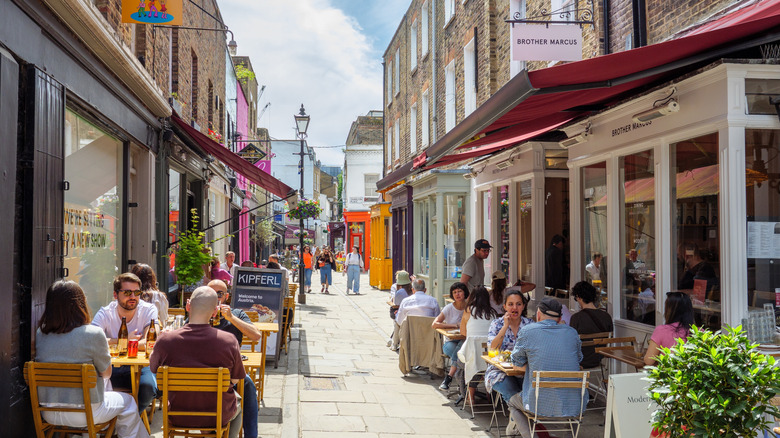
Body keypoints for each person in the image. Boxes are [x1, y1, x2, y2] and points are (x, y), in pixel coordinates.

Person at [35, 280, 149, 438]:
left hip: (48, 412)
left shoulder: (41, 334)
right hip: (87, 412)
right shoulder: (93, 334)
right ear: (80, 304)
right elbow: (107, 374)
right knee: (128, 402)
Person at [149, 286, 245, 438]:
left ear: (188, 306)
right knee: (238, 401)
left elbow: (153, 369)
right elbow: (235, 379)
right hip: (216, 415)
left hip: (177, 414)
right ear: (215, 312)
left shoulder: (166, 340)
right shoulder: (229, 341)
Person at [507, 297, 587, 438]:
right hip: (574, 404)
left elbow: (516, 363)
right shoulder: (572, 332)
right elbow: (579, 359)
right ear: (560, 317)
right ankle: (570, 435)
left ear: (538, 314)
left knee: (512, 403)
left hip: (537, 403)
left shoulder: (527, 331)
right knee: (573, 397)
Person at [91, 272, 158, 414]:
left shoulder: (148, 310)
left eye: (137, 292)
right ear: (115, 295)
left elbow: (151, 341)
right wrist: (128, 341)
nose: (133, 297)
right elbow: (93, 340)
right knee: (94, 385)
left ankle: (128, 421)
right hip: (111, 366)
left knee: (148, 388)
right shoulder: (105, 313)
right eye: (127, 292)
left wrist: (113, 342)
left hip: (141, 366)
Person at [208, 280, 260, 438]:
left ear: (226, 296)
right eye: (211, 294)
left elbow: (256, 336)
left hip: (231, 371)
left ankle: (251, 435)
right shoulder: (199, 313)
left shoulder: (237, 313)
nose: (216, 298)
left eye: (219, 294)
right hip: (204, 369)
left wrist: (231, 318)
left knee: (248, 385)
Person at [485, 290, 533, 409]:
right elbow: (493, 349)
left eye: (518, 304)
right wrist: (505, 326)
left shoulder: (530, 325)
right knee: (514, 394)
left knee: (531, 395)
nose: (514, 307)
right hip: (499, 372)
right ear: (505, 307)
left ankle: (517, 425)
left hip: (524, 372)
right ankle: (524, 424)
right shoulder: (497, 324)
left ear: (523, 306)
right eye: (510, 304)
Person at [458, 285, 499, 405]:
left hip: (473, 355)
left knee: (459, 364)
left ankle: (469, 395)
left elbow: (463, 332)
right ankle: (488, 391)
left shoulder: (468, 310)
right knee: (479, 363)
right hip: (490, 357)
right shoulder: (493, 313)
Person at [433, 282, 469, 390]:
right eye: (454, 292)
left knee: (461, 349)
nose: (457, 294)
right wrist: (454, 325)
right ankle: (462, 384)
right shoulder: (449, 308)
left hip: (465, 341)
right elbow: (434, 324)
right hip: (450, 342)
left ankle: (449, 378)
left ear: (465, 293)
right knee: (460, 352)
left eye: (459, 291)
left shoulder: (469, 308)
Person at [570, 281, 614, 369]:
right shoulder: (606, 316)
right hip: (600, 358)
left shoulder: (576, 318)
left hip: (581, 360)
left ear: (578, 297)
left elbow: (571, 342)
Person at [643, 291, 694, 366]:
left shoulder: (662, 330)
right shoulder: (699, 332)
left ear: (669, 310)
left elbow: (649, 360)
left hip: (669, 375)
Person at [389, 270, 413, 351]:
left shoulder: (400, 292)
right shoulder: (412, 290)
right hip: (413, 315)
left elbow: (395, 303)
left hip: (404, 315)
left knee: (397, 319)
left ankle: (395, 343)